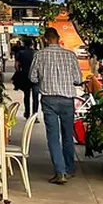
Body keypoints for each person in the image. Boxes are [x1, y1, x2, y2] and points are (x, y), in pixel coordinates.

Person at [30, 27, 83, 184]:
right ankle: (69, 168)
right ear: (58, 38)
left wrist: (44, 78)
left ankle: (60, 172)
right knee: (67, 135)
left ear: (45, 39)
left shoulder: (39, 55)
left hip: (49, 100)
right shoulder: (70, 55)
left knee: (53, 137)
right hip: (67, 100)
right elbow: (78, 79)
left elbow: (32, 78)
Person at [14, 38, 40, 118]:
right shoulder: (37, 53)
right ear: (32, 44)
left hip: (25, 76)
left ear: (24, 44)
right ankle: (35, 115)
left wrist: (19, 71)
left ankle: (27, 113)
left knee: (26, 95)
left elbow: (16, 66)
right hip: (35, 77)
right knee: (35, 97)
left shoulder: (20, 53)